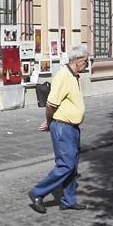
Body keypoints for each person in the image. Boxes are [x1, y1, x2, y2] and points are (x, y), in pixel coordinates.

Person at [28, 45, 90, 213]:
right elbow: (50, 104)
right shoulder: (63, 76)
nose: (87, 64)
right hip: (63, 127)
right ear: (77, 61)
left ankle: (68, 200)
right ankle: (37, 192)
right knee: (66, 165)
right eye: (86, 61)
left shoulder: (74, 76)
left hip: (73, 128)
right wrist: (49, 122)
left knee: (73, 167)